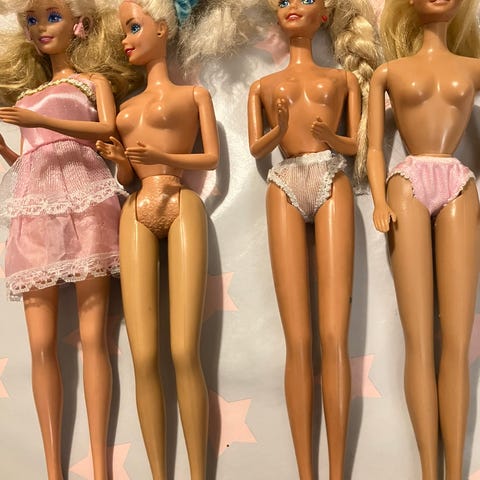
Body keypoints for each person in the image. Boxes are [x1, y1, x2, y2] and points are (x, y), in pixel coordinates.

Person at [0, 0, 138, 478]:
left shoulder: (91, 82)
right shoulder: (27, 95)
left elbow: (106, 127)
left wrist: (42, 122)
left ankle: (100, 466)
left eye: (52, 16)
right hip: (35, 211)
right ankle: (52, 469)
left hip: (86, 201)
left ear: (79, 23)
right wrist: (5, 147)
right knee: (40, 344)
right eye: (32, 20)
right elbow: (28, 161)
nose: (41, 28)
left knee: (94, 337)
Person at [246, 0, 379, 478]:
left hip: (331, 176)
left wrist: (330, 134)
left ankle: (337, 470)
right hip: (284, 180)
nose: (292, 6)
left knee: (333, 334)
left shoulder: (342, 80)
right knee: (298, 339)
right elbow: (256, 148)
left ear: (325, 14)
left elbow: (357, 144)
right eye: (282, 1)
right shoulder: (262, 86)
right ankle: (306, 470)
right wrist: (281, 129)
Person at [96, 1, 219, 479]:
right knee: (143, 354)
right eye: (123, 31)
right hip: (135, 207)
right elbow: (127, 175)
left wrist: (165, 157)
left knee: (185, 350)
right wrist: (122, 162)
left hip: (181, 200)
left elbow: (210, 158)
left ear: (163, 28)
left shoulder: (194, 94)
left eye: (134, 27)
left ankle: (198, 473)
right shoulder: (124, 108)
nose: (126, 40)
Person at [367, 0, 480, 478]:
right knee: (418, 337)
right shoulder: (388, 72)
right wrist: (378, 199)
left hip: (458, 182)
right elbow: (374, 147)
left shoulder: (474, 66)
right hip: (407, 183)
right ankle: (429, 470)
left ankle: (455, 471)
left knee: (456, 338)